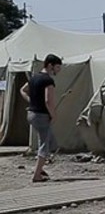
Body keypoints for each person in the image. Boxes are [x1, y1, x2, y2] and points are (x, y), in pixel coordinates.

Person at [19, 54, 62, 182]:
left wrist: (31, 101)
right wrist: (53, 115)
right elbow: (48, 100)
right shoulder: (48, 81)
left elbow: (23, 90)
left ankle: (40, 168)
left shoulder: (34, 78)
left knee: (45, 140)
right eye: (57, 67)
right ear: (50, 65)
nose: (58, 70)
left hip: (32, 114)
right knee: (45, 144)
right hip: (42, 115)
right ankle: (37, 175)